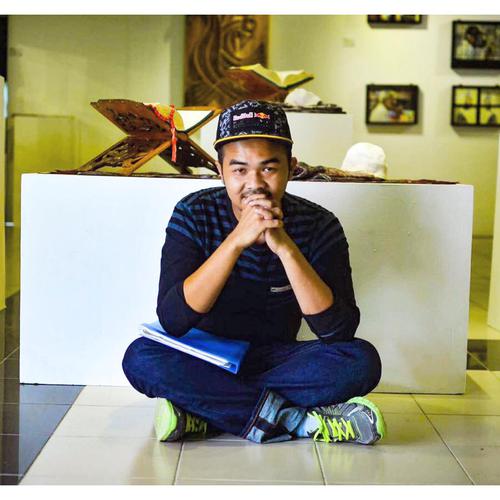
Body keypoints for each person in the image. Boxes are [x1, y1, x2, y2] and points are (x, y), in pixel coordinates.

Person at [122, 99, 385, 445]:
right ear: (220, 170)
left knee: (361, 361)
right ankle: (294, 420)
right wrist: (235, 242)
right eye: (240, 170)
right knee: (141, 358)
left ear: (291, 168)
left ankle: (208, 409)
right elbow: (173, 320)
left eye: (268, 168)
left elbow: (338, 329)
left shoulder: (320, 224)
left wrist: (285, 248)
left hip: (277, 359)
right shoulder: (193, 213)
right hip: (207, 356)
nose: (254, 183)